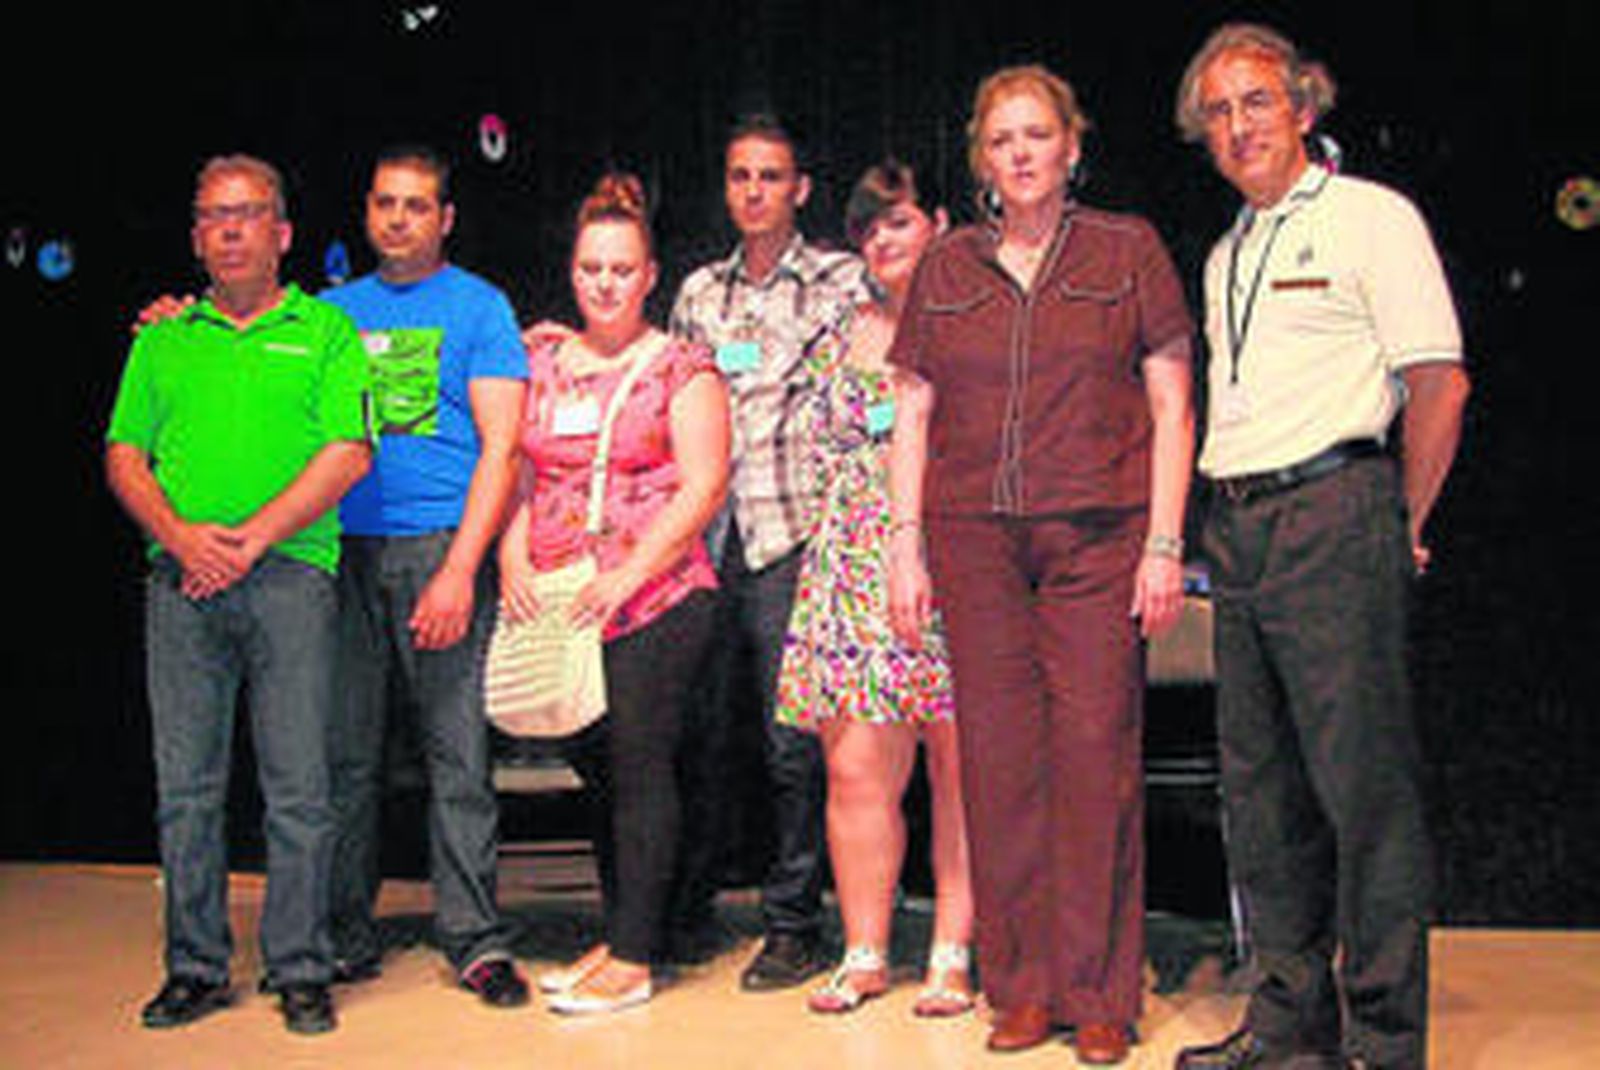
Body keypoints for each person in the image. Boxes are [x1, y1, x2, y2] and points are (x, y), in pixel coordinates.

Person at [1171, 24, 1469, 1070]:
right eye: (1217, 112)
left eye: (1256, 101)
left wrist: (1401, 522)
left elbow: (1438, 383)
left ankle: (1383, 1039)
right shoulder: (1226, 252)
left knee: (1363, 793)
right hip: (1238, 529)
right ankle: (1289, 1025)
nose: (1238, 126)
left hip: (1334, 511)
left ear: (1303, 107)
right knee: (1263, 798)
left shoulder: (1369, 218)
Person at [887, 65, 1195, 1065]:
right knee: (999, 766)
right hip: (972, 539)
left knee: (1095, 756)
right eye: (1000, 139)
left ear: (1071, 145)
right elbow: (913, 412)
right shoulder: (947, 265)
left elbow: (1171, 406)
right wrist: (903, 544)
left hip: (1098, 538)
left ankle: (1099, 991)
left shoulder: (1126, 249)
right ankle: (1019, 987)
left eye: (1036, 134)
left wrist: (1163, 541)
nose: (1019, 153)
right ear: (981, 160)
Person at [105, 154, 373, 1035]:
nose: (229, 229)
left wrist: (253, 537)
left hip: (291, 576)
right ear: (196, 237)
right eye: (213, 216)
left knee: (299, 787)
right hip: (180, 582)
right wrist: (182, 538)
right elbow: (124, 457)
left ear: (282, 232)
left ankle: (301, 967)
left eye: (248, 212)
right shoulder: (161, 339)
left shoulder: (326, 331)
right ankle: (194, 968)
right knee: (187, 789)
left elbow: (348, 451)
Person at [501, 172, 730, 1014]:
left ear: (650, 275)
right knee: (597, 771)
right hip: (563, 597)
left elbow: (704, 485)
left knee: (639, 767)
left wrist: (630, 574)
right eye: (591, 268)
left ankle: (635, 959)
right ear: (572, 270)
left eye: (622, 269)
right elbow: (515, 470)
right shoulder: (538, 361)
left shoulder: (682, 367)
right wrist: (512, 559)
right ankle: (625, 930)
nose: (605, 283)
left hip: (656, 597)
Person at [320, 146, 530, 1006]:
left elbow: (503, 449)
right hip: (339, 557)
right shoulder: (328, 314)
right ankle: (341, 936)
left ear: (445, 219)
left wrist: (459, 568)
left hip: (440, 548)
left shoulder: (480, 307)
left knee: (457, 759)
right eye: (384, 203)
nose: (398, 218)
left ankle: (475, 941)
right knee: (343, 761)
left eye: (416, 205)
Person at [669, 113, 869, 989]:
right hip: (705, 541)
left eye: (771, 176)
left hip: (796, 536)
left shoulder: (839, 281)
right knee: (702, 733)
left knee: (795, 745)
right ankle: (690, 908)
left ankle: (795, 924)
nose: (754, 191)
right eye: (741, 176)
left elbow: (873, 388)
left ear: (801, 189)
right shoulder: (697, 294)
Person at [772, 160, 974, 1017]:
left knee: (963, 770)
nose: (882, 239)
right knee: (855, 770)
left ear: (938, 223)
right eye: (867, 227)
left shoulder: (974, 320)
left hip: (955, 556)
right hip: (851, 568)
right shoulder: (836, 329)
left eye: (898, 221)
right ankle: (864, 954)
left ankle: (953, 954)